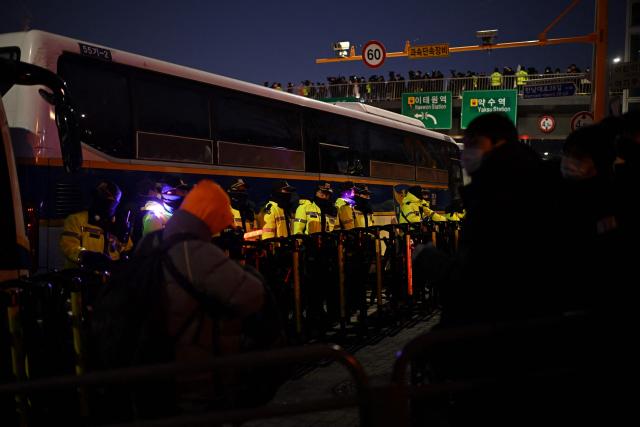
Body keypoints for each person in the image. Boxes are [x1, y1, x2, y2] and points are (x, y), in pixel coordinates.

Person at [413, 112, 563, 327]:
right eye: (466, 144)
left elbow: (483, 281)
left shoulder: (504, 195)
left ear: (498, 142)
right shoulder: (522, 183)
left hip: (496, 331)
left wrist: (432, 261)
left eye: (474, 143)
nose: (468, 152)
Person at [136, 180, 266, 410]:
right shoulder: (194, 250)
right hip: (191, 368)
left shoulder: (155, 240)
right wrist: (245, 271)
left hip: (153, 361)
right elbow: (251, 294)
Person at [60, 180, 133, 269]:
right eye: (104, 199)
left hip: (110, 277)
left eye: (112, 202)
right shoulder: (76, 220)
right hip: (81, 275)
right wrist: (87, 256)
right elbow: (69, 247)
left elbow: (127, 249)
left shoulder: (119, 224)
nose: (107, 205)